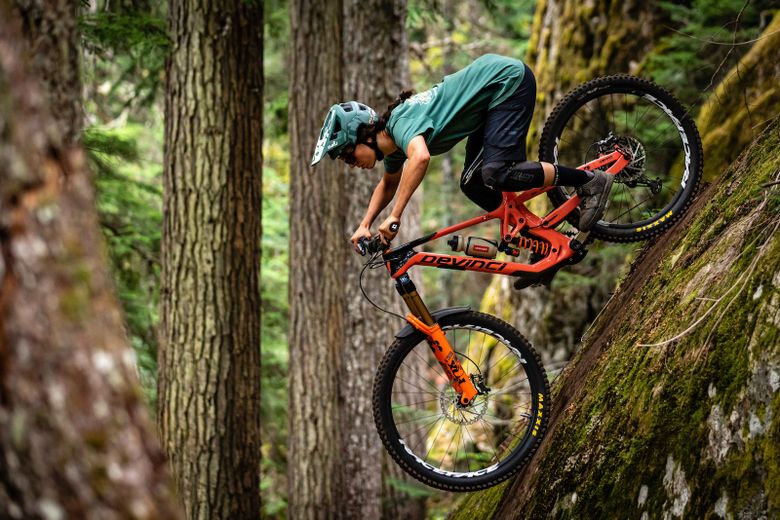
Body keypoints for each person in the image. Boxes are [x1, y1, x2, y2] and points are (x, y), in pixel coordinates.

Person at [310, 54, 613, 252]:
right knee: (472, 182)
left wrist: (394, 217)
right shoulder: (393, 145)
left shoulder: (401, 125)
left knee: (497, 172)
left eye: (349, 156)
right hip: (486, 108)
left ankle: (589, 181)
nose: (351, 164)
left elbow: (421, 158)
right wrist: (364, 224)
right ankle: (542, 240)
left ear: (364, 136)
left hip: (506, 83)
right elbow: (387, 184)